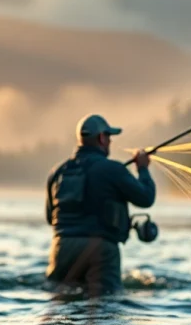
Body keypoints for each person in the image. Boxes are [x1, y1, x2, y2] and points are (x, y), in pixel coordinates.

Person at [44, 114, 155, 295]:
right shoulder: (113, 169)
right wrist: (142, 168)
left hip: (62, 249)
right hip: (101, 250)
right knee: (105, 303)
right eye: (109, 137)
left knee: (61, 298)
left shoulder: (57, 172)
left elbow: (51, 218)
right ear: (102, 138)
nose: (110, 141)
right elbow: (146, 198)